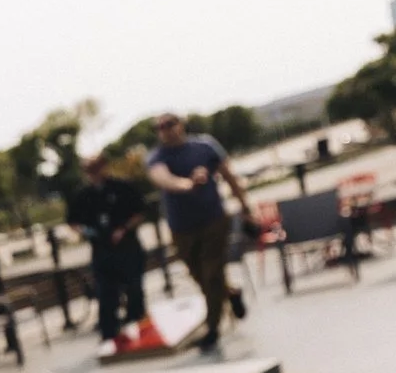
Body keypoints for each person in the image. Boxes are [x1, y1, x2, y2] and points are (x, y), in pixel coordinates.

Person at [145, 113, 255, 354]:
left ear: (181, 125)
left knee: (212, 272)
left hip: (213, 221)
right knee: (200, 276)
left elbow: (229, 176)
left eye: (170, 124)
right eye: (160, 128)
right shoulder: (156, 157)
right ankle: (231, 293)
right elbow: (163, 179)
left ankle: (213, 328)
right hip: (181, 229)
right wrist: (188, 185)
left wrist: (245, 207)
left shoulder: (205, 146)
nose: (166, 130)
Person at [67, 153, 149, 342]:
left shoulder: (122, 187)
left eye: (96, 169)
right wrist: (86, 231)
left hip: (127, 247)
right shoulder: (84, 195)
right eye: (89, 171)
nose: (93, 174)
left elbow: (140, 211)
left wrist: (124, 229)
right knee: (106, 294)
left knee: (134, 290)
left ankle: (140, 329)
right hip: (102, 251)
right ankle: (110, 335)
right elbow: (73, 221)